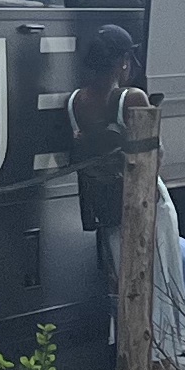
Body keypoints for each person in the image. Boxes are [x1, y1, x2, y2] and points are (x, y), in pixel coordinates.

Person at [69, 20, 137, 315]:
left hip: (106, 207)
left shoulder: (75, 102)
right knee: (155, 276)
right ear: (123, 62)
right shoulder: (130, 98)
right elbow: (154, 157)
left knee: (119, 276)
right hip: (139, 202)